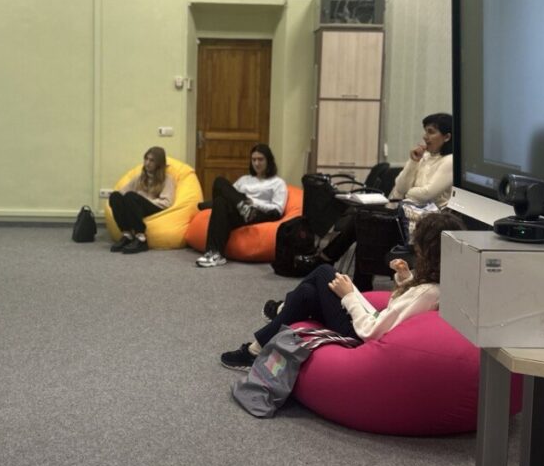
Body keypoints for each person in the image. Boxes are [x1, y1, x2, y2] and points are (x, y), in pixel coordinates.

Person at [219, 210, 467, 370]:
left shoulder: (427, 292)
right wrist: (405, 279)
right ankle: (260, 342)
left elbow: (372, 331)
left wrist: (349, 295)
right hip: (371, 321)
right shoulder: (439, 285)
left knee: (324, 272)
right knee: (306, 295)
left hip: (361, 334)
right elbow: (402, 311)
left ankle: (269, 328)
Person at [298, 113, 455, 271]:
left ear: (447, 137)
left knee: (362, 219)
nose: (425, 136)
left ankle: (327, 259)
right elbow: (400, 186)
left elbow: (426, 195)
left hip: (424, 220)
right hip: (405, 211)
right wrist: (413, 162)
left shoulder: (450, 161)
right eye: (425, 131)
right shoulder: (424, 156)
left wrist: (408, 193)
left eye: (431, 132)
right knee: (362, 219)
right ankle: (332, 262)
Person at [195, 144, 288, 268]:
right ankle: (214, 254)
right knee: (219, 186)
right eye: (254, 160)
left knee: (221, 201)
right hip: (242, 212)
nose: (256, 163)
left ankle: (238, 208)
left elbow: (278, 209)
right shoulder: (245, 179)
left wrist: (253, 202)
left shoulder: (278, 183)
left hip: (259, 213)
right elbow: (229, 195)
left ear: (269, 161)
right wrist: (242, 202)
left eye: (260, 159)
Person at [108, 146, 175, 254]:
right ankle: (127, 235)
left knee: (131, 196)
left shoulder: (167, 179)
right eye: (146, 159)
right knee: (115, 196)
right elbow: (122, 192)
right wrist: (119, 201)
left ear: (159, 163)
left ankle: (141, 238)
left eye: (152, 160)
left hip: (155, 206)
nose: (147, 163)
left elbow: (167, 202)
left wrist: (143, 200)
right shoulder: (140, 177)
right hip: (138, 204)